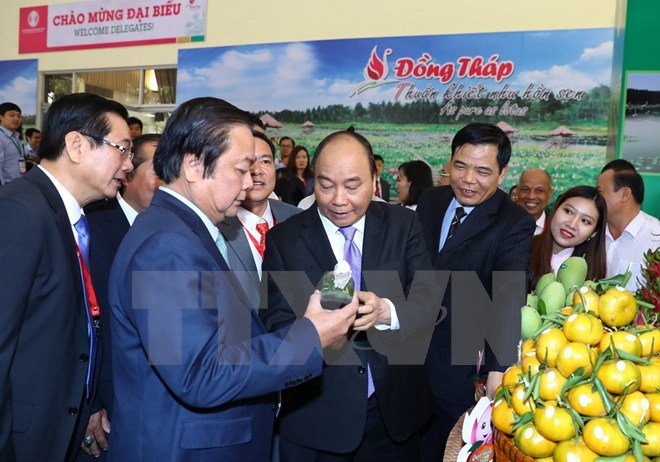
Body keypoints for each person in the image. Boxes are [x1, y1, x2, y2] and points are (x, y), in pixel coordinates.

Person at [107, 97, 358, 462]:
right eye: (241, 169)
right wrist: (311, 334)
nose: (250, 181)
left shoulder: (185, 232)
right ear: (194, 164)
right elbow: (199, 374)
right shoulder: (166, 246)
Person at [262, 129, 437, 461]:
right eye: (326, 185)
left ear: (374, 179)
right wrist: (315, 330)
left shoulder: (403, 224)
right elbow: (274, 321)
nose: (339, 200)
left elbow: (428, 297)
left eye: (353, 186)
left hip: (394, 416)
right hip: (318, 419)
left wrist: (387, 311)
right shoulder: (284, 240)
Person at [0, 93, 134, 462]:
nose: (128, 164)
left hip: (57, 427)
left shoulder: (67, 214)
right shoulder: (19, 212)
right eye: (122, 149)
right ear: (76, 145)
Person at [416, 122, 535, 460]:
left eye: (482, 171)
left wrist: (498, 368)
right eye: (461, 166)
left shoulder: (513, 222)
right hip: (408, 357)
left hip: (458, 365)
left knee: (451, 448)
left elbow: (508, 295)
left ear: (502, 173)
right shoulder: (431, 200)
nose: (468, 179)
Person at [80, 134, 162, 460]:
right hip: (107, 401)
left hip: (162, 403)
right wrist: (90, 403)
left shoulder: (177, 228)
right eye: (159, 171)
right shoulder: (90, 226)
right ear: (128, 174)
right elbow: (78, 322)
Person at [219, 130, 300, 308]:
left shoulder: (297, 218)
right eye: (247, 162)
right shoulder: (215, 224)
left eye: (265, 161)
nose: (256, 171)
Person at [596, 159, 660, 291]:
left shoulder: (656, 238)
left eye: (599, 192)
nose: (595, 198)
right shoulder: (591, 231)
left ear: (625, 194)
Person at [529, 185, 607, 288]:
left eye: (585, 221)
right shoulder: (521, 248)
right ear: (556, 208)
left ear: (594, 232)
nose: (572, 225)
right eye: (568, 212)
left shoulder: (593, 273)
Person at [517, 168, 553, 236]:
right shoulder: (503, 221)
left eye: (539, 190)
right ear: (518, 191)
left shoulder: (555, 227)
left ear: (550, 195)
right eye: (525, 189)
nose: (531, 196)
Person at [0, 102, 23, 184]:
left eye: (19, 116)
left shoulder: (16, 136)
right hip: (6, 185)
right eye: (12, 115)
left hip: (18, 183)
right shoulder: (1, 136)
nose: (16, 118)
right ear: (1, 117)